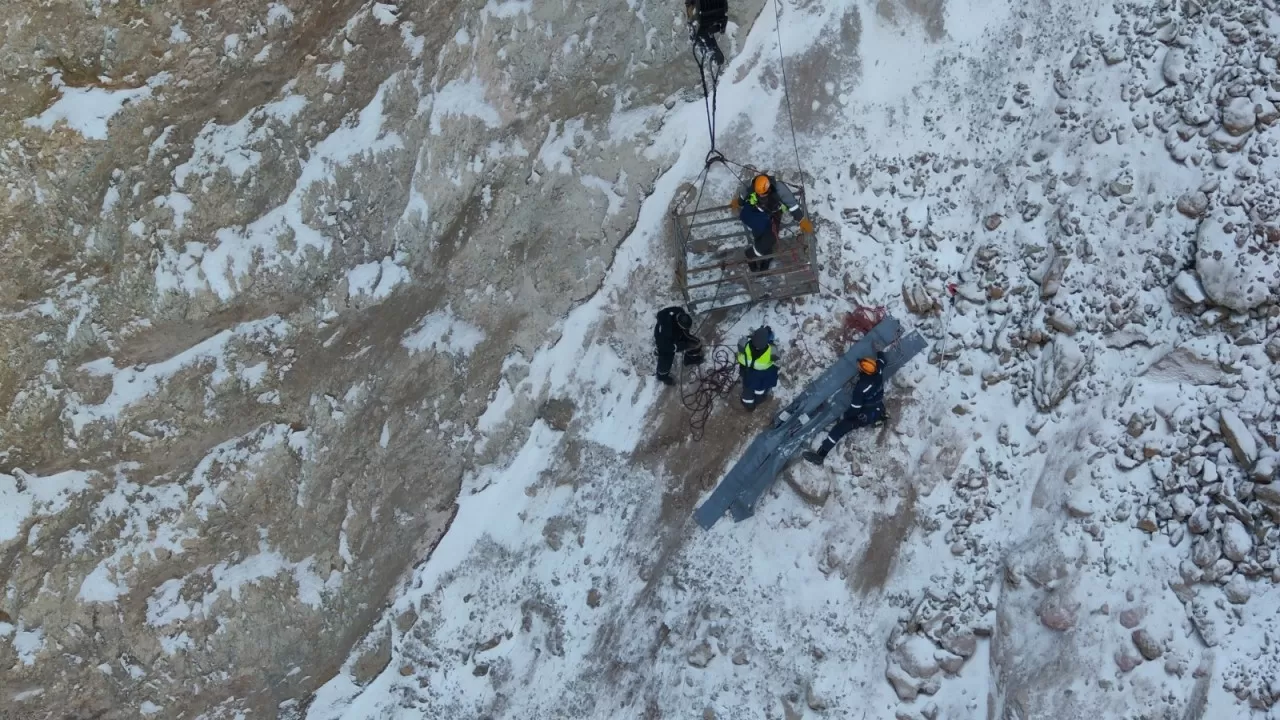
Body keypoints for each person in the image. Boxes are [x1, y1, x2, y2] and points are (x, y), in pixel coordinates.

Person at [802, 352, 887, 465]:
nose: (858, 366)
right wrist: (879, 352)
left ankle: (820, 456)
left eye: (860, 367)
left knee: (839, 429)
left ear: (864, 371)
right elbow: (882, 360)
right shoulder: (878, 372)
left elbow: (855, 409)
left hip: (864, 415)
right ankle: (879, 415)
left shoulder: (861, 388)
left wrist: (845, 417)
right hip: (876, 405)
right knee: (873, 408)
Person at [729, 173, 815, 273]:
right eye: (759, 194)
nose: (761, 195)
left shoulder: (779, 189)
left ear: (769, 188)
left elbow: (792, 205)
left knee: (770, 237)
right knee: (761, 234)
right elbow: (744, 195)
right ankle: (761, 256)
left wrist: (802, 220)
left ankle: (752, 255)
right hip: (756, 212)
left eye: (764, 194)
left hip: (773, 213)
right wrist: (738, 202)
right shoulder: (754, 186)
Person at [654, 305, 704, 386]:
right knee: (665, 363)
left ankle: (688, 359)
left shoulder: (679, 311)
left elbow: (666, 311)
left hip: (676, 332)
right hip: (664, 344)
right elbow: (668, 347)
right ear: (679, 324)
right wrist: (684, 345)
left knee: (695, 343)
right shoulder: (666, 333)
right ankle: (663, 377)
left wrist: (687, 342)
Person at [736, 325, 779, 411]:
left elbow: (740, 345)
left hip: (747, 371)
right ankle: (759, 400)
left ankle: (749, 406)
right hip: (761, 374)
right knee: (760, 389)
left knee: (748, 390)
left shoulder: (746, 345)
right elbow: (776, 357)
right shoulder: (771, 350)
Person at [686, 0, 728, 65]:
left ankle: (707, 51)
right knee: (706, 31)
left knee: (694, 33)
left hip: (704, 17)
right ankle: (712, 49)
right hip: (720, 14)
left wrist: (690, 21)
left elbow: (689, 5)